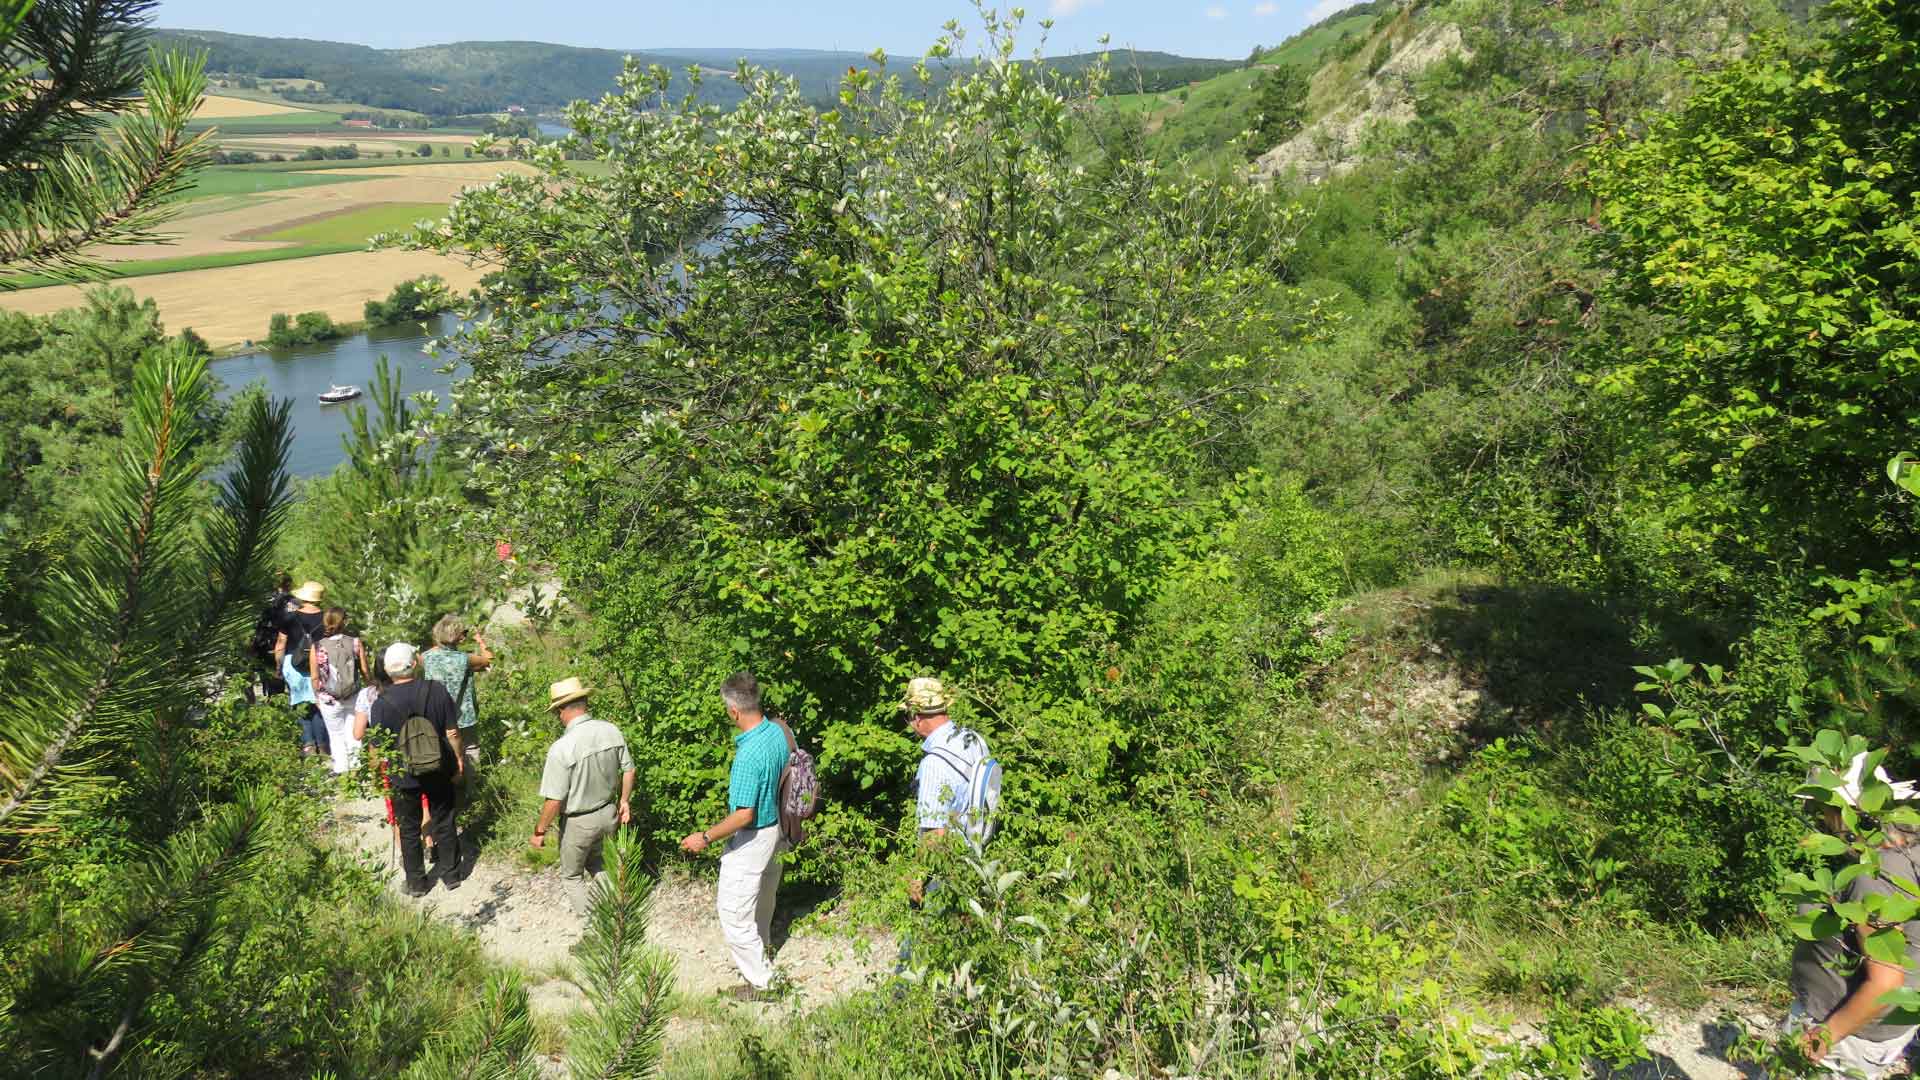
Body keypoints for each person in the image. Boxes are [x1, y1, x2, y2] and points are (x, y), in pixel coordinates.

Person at [1785, 751, 1920, 1077]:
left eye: (1823, 810)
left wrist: (1825, 1037)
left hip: (1845, 1032)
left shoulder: (1872, 875)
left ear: (1843, 811)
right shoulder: (1908, 850)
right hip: (1875, 1029)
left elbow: (1886, 982)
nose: (1819, 819)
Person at [680, 671, 790, 1000]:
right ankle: (764, 950)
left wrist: (704, 837)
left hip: (754, 838)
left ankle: (764, 984)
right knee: (764, 897)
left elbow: (744, 814)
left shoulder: (748, 756)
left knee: (734, 914)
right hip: (778, 831)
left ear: (733, 711)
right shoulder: (778, 732)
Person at [360, 642, 466, 897]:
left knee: (408, 828)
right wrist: (459, 758)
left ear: (387, 669)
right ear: (415, 663)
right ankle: (451, 875)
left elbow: (376, 747)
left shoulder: (381, 704)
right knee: (445, 818)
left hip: (402, 773)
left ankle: (417, 883)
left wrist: (377, 774)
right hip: (438, 767)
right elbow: (452, 732)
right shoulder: (437, 690)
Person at [530, 677, 635, 914]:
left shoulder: (562, 748)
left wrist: (539, 832)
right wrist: (624, 801)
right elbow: (629, 769)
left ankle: (591, 929)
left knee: (572, 877)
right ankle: (616, 917)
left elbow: (554, 801)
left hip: (578, 822)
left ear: (561, 711)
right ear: (585, 702)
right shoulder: (611, 730)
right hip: (609, 814)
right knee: (599, 864)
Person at [422, 614, 492, 784]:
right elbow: (489, 660)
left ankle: (448, 787)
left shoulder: (426, 657)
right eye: (464, 632)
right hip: (464, 715)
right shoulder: (465, 659)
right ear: (458, 637)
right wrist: (480, 642)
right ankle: (472, 789)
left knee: (443, 750)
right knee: (470, 748)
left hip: (437, 716)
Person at [311, 607, 369, 775]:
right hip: (354, 695)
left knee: (335, 734)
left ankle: (342, 770)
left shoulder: (317, 647)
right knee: (354, 732)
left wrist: (317, 697)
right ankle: (357, 768)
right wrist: (371, 687)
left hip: (328, 698)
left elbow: (315, 677)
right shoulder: (355, 642)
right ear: (343, 621)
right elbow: (364, 670)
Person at [275, 581, 327, 758]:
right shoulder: (326, 617)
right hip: (319, 664)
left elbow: (281, 644)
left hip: (293, 664)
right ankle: (323, 745)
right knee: (318, 704)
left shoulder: (290, 616)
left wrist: (278, 666)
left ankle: (308, 745)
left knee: (300, 705)